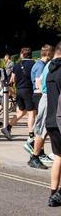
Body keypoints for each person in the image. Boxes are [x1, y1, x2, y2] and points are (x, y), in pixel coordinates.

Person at [2, 47, 36, 140]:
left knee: (21, 111)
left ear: (22, 54)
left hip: (19, 90)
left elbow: (12, 79)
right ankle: (31, 135)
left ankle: (8, 127)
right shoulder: (34, 64)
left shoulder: (16, 65)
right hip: (29, 90)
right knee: (31, 113)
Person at [45, 43, 61, 207]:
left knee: (58, 157)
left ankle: (53, 193)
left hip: (50, 119)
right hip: (60, 118)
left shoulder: (50, 70)